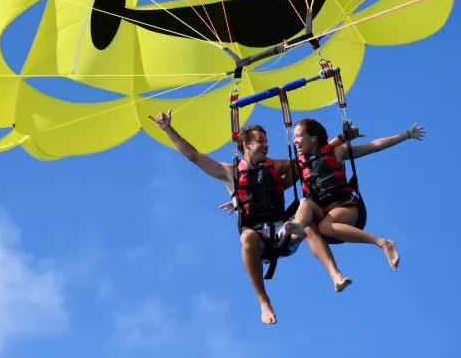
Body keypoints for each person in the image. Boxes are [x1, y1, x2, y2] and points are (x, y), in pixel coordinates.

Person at [148, 109, 362, 325]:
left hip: (284, 230)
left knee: (305, 223)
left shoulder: (277, 166)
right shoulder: (229, 173)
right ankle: (264, 301)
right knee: (246, 238)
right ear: (246, 145)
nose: (266, 145)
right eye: (261, 141)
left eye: (266, 141)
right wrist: (168, 129)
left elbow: (313, 154)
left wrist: (341, 139)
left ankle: (335, 274)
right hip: (259, 238)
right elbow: (194, 156)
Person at [285, 118, 426, 271]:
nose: (295, 141)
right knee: (305, 203)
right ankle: (298, 227)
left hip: (346, 207)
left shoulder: (336, 152)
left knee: (325, 227)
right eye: (293, 138)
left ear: (313, 137)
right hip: (323, 215)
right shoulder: (298, 165)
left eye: (298, 136)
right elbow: (277, 181)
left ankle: (382, 243)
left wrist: (406, 134)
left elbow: (374, 146)